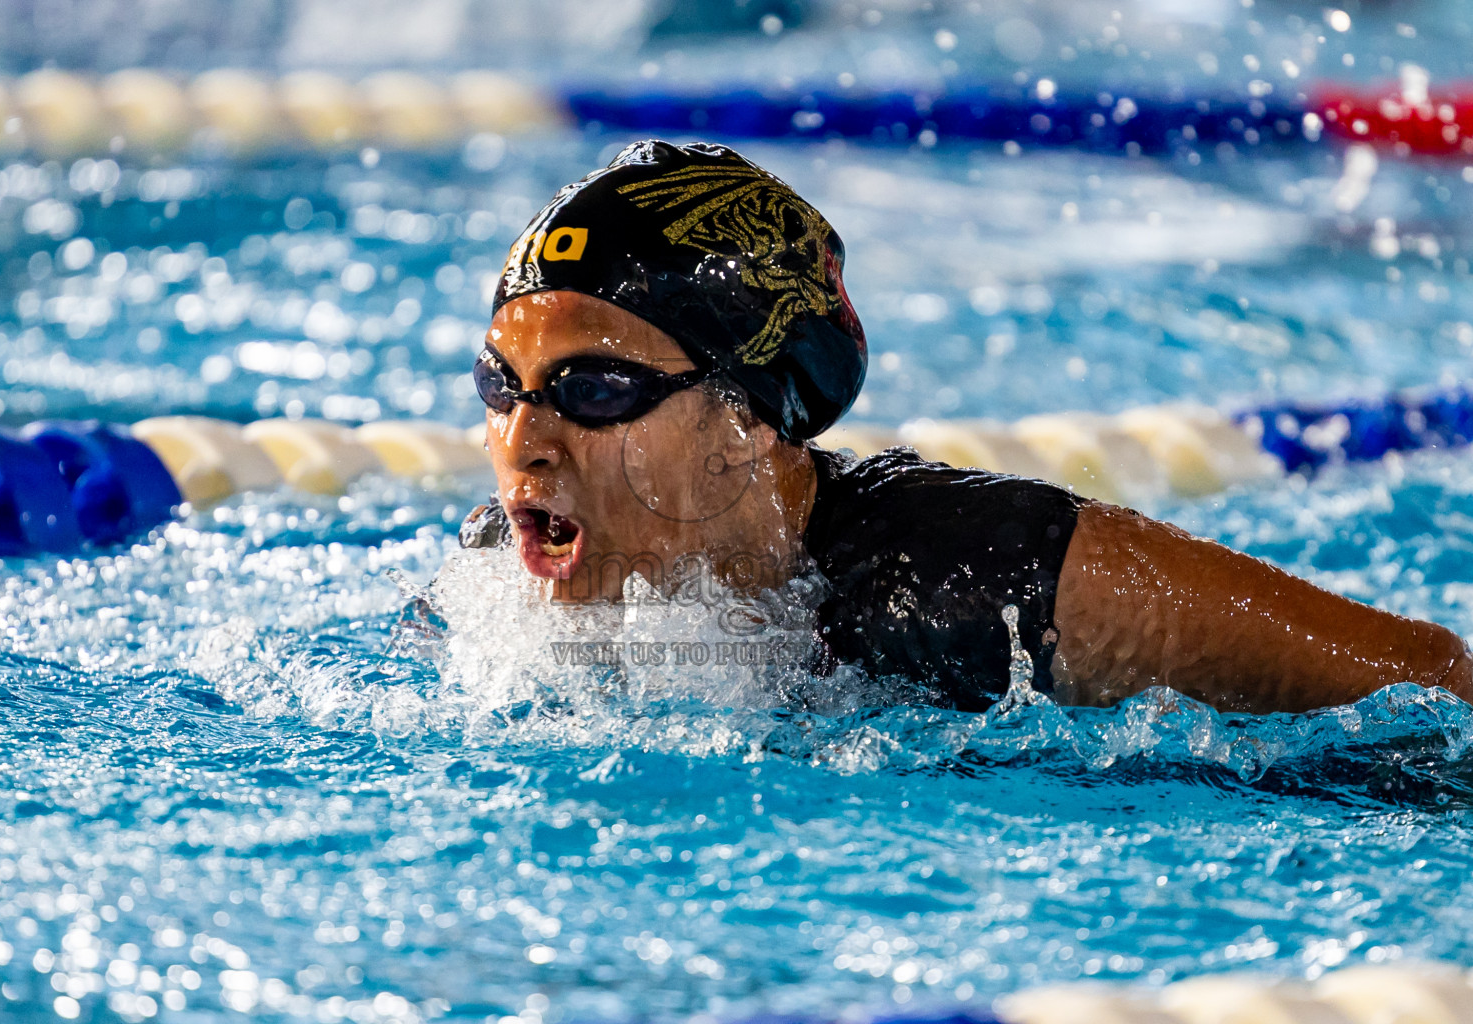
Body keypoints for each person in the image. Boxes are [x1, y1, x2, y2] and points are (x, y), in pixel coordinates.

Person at [458, 139, 1473, 714]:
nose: (524, 442)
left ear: (747, 421)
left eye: (592, 389)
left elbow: (1431, 683)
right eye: (501, 384)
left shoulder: (982, 576)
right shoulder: (505, 572)